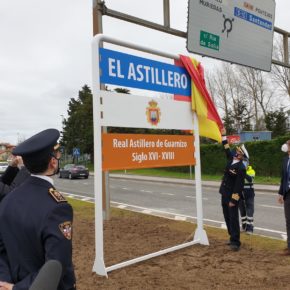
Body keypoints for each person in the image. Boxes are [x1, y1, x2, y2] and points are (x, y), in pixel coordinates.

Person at [0, 128, 76, 290]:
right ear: (53, 162)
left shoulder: (8, 199)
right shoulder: (58, 208)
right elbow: (59, 264)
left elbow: (2, 249)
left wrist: (6, 283)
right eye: (57, 155)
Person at [219, 129, 246, 251]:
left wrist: (234, 200)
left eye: (239, 151)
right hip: (224, 193)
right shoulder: (231, 159)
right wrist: (223, 135)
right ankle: (231, 237)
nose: (237, 150)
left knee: (233, 218)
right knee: (227, 217)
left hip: (232, 196)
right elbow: (225, 147)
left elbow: (239, 186)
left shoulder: (241, 168)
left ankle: (236, 242)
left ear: (241, 156)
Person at [278, 139, 290, 255]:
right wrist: (281, 193)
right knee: (288, 220)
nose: (286, 146)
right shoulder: (285, 160)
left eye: (287, 144)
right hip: (287, 193)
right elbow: (283, 178)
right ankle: (289, 247)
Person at [239, 160, 256, 234]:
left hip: (249, 192)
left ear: (248, 163)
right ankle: (244, 226)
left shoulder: (251, 171)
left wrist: (244, 172)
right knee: (242, 209)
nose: (244, 163)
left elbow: (250, 179)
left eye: (245, 162)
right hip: (240, 192)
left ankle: (250, 228)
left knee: (250, 209)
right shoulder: (238, 170)